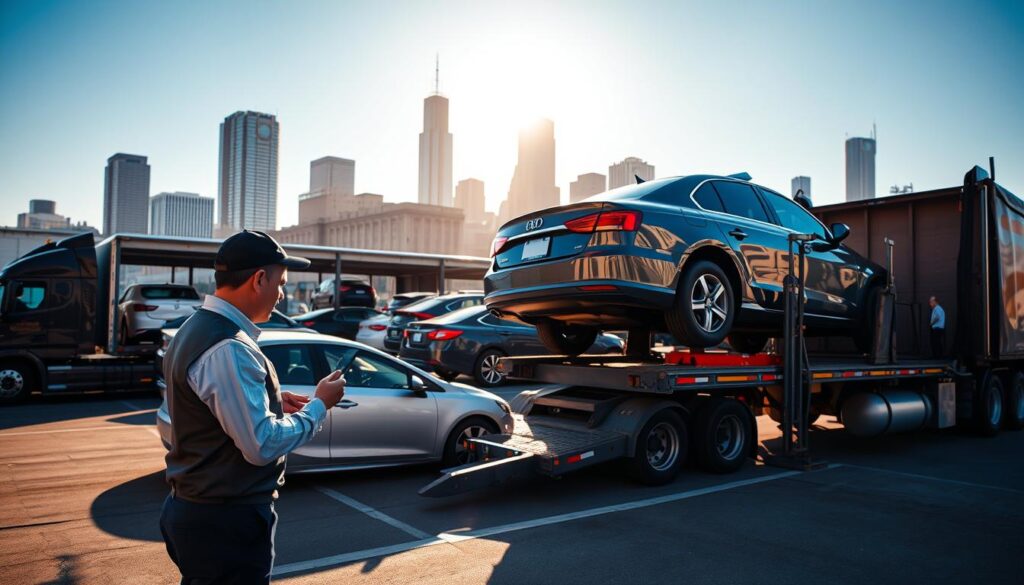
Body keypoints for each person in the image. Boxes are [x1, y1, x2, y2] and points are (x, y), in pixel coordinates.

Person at [159, 230, 346, 584]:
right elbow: (261, 445)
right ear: (259, 279)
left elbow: (207, 407)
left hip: (198, 512)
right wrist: (320, 405)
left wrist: (272, 400)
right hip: (225, 521)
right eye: (281, 283)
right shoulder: (228, 346)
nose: (282, 295)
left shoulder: (193, 329)